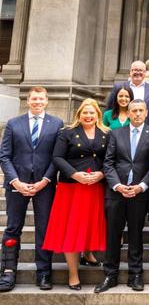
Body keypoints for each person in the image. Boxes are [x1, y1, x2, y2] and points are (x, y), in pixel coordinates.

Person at [0, 87, 63, 292]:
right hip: (17, 185)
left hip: (44, 185)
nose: (37, 102)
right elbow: (5, 156)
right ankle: (8, 272)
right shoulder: (13, 124)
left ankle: (43, 272)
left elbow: (57, 157)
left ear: (47, 101)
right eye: (34, 98)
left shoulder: (56, 124)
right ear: (28, 100)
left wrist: (45, 180)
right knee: (13, 228)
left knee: (44, 229)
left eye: (41, 98)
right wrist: (15, 181)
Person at [95, 99, 149, 293]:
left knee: (135, 234)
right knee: (113, 235)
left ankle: (135, 275)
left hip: (140, 193)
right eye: (134, 111)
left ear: (147, 112)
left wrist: (141, 186)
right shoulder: (115, 133)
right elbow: (108, 162)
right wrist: (117, 185)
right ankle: (110, 275)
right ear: (129, 112)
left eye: (141, 110)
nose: (138, 114)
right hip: (116, 192)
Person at [42, 99, 109, 290]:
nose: (88, 116)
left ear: (97, 114)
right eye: (85, 113)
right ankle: (73, 273)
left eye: (92, 113)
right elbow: (57, 157)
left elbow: (110, 158)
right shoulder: (67, 133)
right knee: (72, 229)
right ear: (79, 114)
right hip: (72, 187)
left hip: (95, 186)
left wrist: (102, 173)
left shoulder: (106, 134)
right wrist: (75, 174)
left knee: (88, 224)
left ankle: (88, 253)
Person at [105, 60, 149, 126]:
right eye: (135, 70)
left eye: (140, 70)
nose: (138, 72)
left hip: (145, 129)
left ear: (145, 73)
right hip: (122, 126)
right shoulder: (118, 87)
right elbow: (110, 106)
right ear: (130, 72)